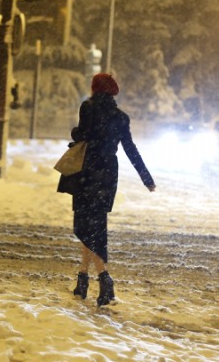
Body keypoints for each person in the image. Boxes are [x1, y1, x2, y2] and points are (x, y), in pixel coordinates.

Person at [58, 73, 156, 307]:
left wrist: (75, 132)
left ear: (95, 89)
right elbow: (130, 149)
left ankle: (101, 278)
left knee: (84, 226)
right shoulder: (121, 117)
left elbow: (83, 135)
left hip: (87, 171)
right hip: (108, 174)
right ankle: (85, 277)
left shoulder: (87, 108)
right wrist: (146, 177)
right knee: (97, 227)